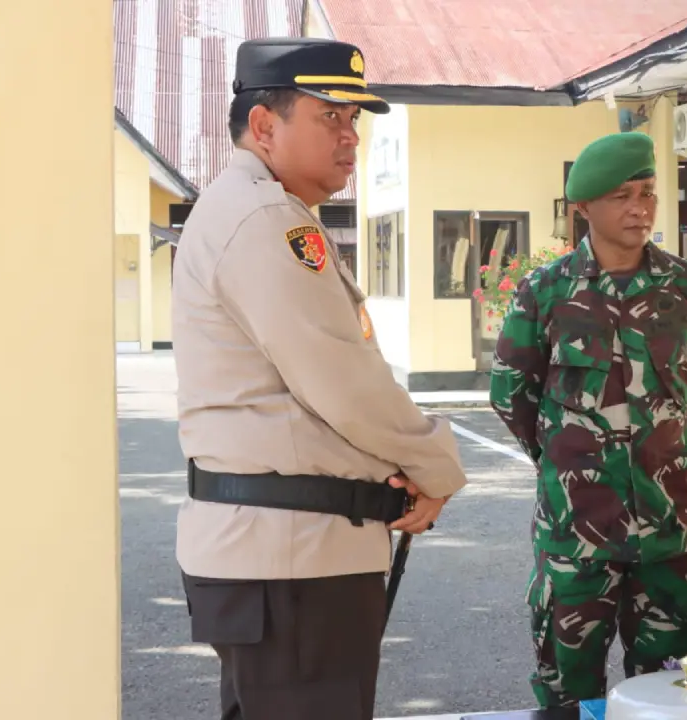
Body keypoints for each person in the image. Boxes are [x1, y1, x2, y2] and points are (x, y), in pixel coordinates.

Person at [171, 37, 468, 720]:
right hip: (295, 565)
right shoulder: (266, 217)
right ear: (265, 125)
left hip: (275, 557)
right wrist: (437, 463)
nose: (350, 136)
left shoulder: (250, 208)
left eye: (354, 119)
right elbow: (344, 384)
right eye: (329, 116)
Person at [489, 132, 687, 707]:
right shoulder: (545, 293)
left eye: (648, 192)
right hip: (577, 536)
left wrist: (660, 448)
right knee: (567, 695)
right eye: (622, 195)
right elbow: (511, 393)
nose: (640, 208)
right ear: (583, 208)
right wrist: (569, 456)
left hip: (671, 530)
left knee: (673, 696)